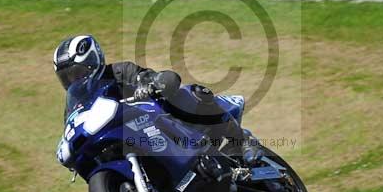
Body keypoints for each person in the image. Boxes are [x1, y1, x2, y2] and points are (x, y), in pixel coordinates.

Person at [53, 34, 249, 163]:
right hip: (120, 142)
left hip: (156, 123)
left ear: (92, 62)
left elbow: (161, 79)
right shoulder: (74, 105)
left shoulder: (120, 71)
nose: (73, 80)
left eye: (76, 73)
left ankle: (243, 142)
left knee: (190, 93)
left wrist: (151, 85)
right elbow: (71, 130)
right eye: (66, 77)